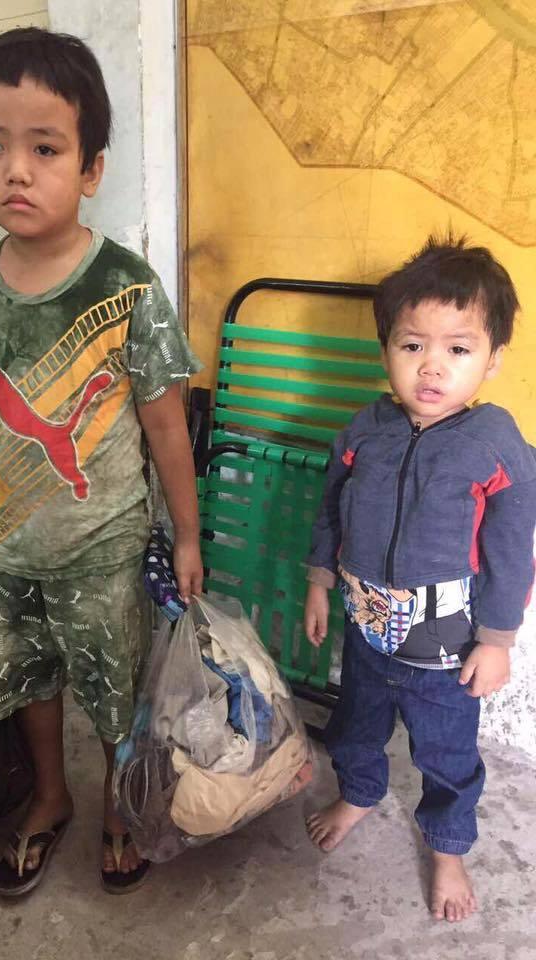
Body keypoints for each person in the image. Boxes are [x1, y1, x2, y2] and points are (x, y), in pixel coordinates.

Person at [0, 27, 203, 897]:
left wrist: (187, 535)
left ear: (91, 169)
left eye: (45, 149)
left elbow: (167, 428)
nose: (16, 170)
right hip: (8, 551)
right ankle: (50, 796)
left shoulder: (127, 289)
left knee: (114, 690)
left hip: (104, 551)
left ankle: (121, 804)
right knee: (27, 683)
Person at [303, 236, 536, 923]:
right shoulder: (364, 429)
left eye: (458, 349)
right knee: (353, 728)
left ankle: (448, 848)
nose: (432, 366)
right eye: (412, 346)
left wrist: (497, 640)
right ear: (386, 351)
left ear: (492, 360)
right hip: (366, 633)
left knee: (447, 756)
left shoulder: (494, 443)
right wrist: (319, 580)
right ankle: (359, 793)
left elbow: (512, 551)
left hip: (447, 654)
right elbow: (331, 507)